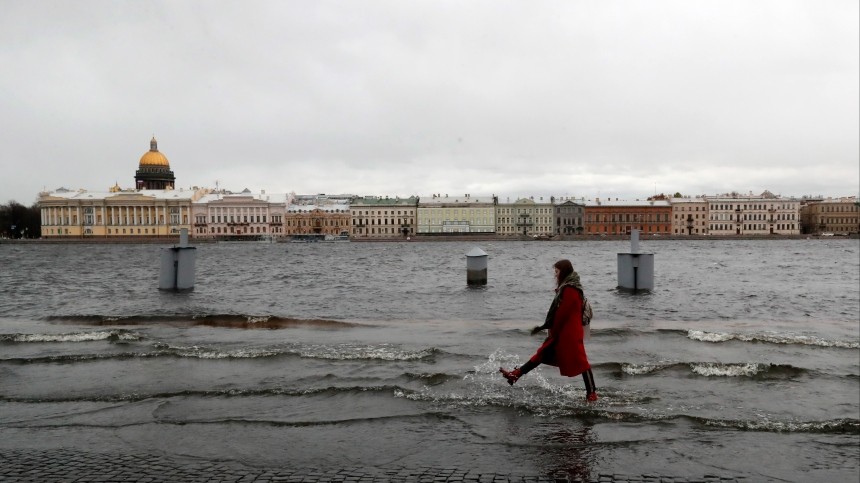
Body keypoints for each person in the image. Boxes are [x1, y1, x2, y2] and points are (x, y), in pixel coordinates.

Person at [499, 259, 598, 402]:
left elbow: (562, 314)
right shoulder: (569, 286)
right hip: (566, 331)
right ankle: (515, 375)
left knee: (582, 363)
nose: (555, 275)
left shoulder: (569, 289)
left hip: (568, 333)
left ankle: (592, 394)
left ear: (563, 272)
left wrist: (553, 331)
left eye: (557, 272)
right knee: (542, 354)